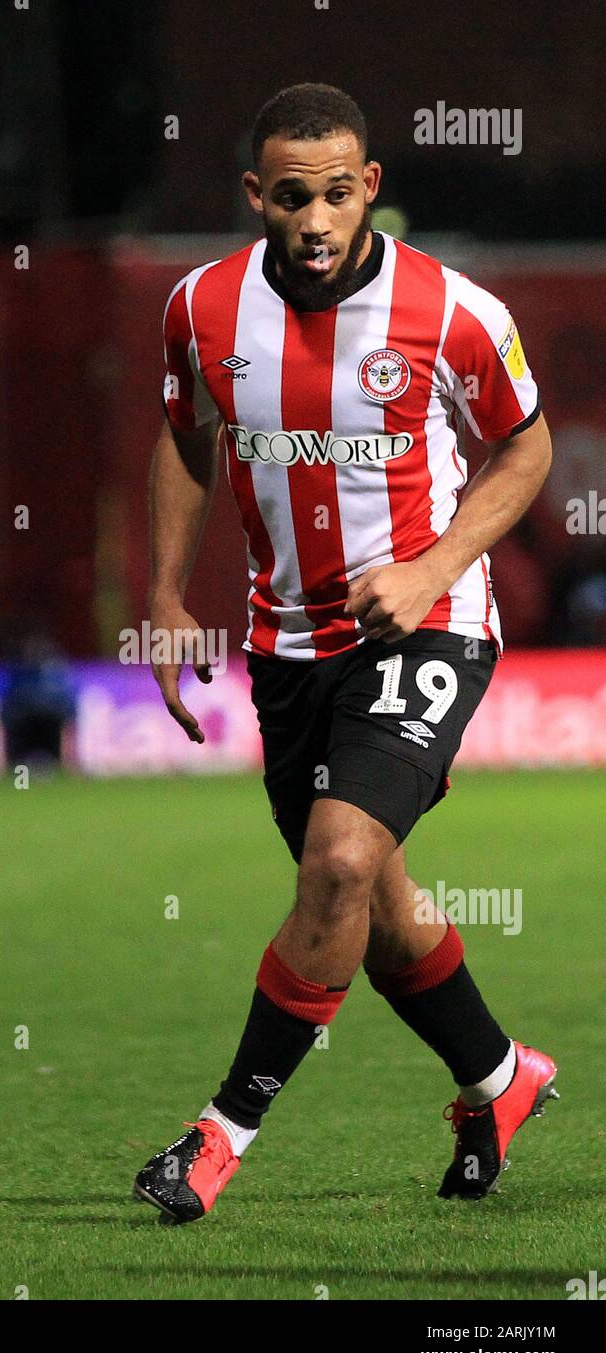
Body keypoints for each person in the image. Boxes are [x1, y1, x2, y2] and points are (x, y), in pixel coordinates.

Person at [134, 84, 557, 1224]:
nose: (313, 220)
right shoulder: (200, 308)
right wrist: (167, 593)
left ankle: (218, 1137)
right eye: (288, 197)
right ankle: (498, 1076)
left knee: (335, 863)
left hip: (428, 619)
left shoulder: (452, 309)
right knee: (364, 903)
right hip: (287, 642)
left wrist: (428, 568)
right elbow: (185, 437)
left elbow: (524, 448)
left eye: (333, 193)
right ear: (255, 198)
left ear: (366, 186)